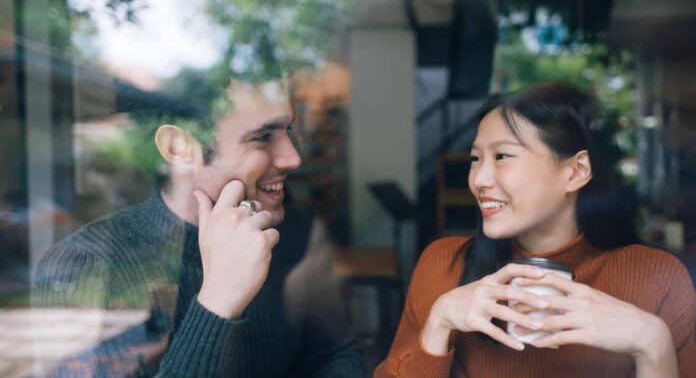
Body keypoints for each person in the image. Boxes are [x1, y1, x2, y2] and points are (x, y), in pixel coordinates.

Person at [33, 79, 366, 377]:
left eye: (288, 131)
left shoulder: (292, 233)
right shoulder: (83, 265)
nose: (293, 157)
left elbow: (335, 352)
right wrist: (218, 300)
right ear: (179, 148)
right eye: (264, 137)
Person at [375, 82, 696, 377]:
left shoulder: (657, 278)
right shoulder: (442, 264)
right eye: (475, 159)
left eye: (502, 156)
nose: (480, 179)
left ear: (576, 171)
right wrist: (439, 322)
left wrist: (653, 343)